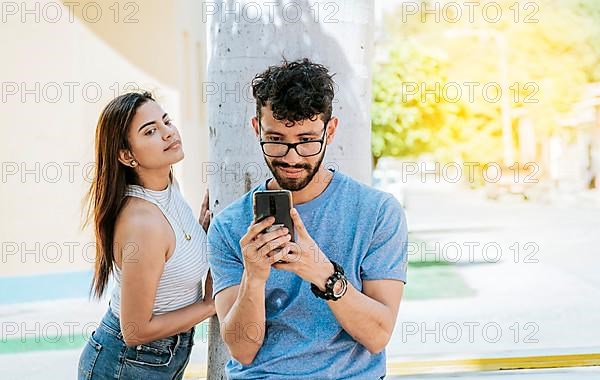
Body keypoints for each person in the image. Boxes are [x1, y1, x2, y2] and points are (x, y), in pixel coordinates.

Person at [207, 59, 408, 379]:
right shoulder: (229, 226)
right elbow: (242, 351)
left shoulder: (377, 212)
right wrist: (254, 277)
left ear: (330, 130)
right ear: (256, 128)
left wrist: (322, 273)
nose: (291, 157)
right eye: (275, 140)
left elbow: (377, 336)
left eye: (306, 140)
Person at [78, 91, 215, 379]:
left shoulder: (166, 187)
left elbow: (170, 258)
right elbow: (135, 330)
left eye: (166, 122)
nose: (167, 133)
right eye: (150, 131)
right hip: (126, 364)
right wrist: (211, 305)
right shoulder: (143, 223)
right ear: (127, 156)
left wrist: (201, 232)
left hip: (159, 358)